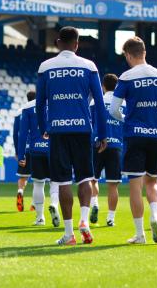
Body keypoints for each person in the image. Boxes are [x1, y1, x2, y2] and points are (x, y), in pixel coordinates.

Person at [36, 27, 107, 246]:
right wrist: (102, 133)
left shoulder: (46, 67)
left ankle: (69, 233)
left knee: (63, 181)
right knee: (86, 177)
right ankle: (84, 220)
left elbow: (40, 103)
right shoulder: (89, 66)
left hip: (57, 130)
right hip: (83, 130)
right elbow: (100, 102)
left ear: (58, 43)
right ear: (77, 44)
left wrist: (43, 127)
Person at [109, 36, 157, 245]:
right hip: (156, 134)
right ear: (144, 52)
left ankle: (140, 234)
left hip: (134, 134)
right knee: (152, 182)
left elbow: (113, 109)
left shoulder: (126, 77)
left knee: (135, 185)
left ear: (127, 54)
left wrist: (126, 120)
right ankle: (155, 216)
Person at [19, 90, 60, 227]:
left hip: (36, 150)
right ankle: (54, 204)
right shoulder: (56, 104)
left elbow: (23, 133)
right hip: (53, 149)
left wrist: (21, 155)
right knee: (55, 182)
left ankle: (40, 218)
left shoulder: (28, 107)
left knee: (38, 183)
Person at [89, 73, 124, 227]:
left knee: (92, 179)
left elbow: (90, 124)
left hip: (98, 144)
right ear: (117, 87)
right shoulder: (123, 104)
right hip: (116, 146)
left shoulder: (96, 102)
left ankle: (95, 203)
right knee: (113, 185)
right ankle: (111, 218)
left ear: (102, 86)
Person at [14, 111, 30, 211]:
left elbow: (15, 134)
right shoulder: (43, 110)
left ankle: (20, 191)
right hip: (38, 149)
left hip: (24, 149)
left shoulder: (20, 114)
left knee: (23, 176)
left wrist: (18, 152)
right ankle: (34, 204)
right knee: (38, 180)